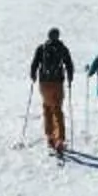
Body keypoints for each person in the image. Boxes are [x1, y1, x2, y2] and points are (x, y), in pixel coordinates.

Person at [30, 27, 76, 155]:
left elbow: (34, 64)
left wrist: (33, 75)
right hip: (57, 83)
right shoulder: (62, 48)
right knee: (57, 109)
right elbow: (69, 64)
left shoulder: (42, 48)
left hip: (44, 83)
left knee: (47, 107)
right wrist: (70, 77)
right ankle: (59, 138)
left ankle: (50, 136)